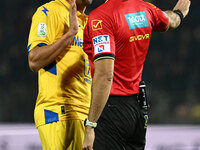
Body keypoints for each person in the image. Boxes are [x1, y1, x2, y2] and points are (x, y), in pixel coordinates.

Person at [82, 0, 191, 149]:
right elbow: (172, 20)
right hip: (137, 110)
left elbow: (105, 76)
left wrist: (90, 125)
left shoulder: (100, 18)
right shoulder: (145, 9)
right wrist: (179, 13)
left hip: (110, 109)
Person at [27, 0, 92, 149]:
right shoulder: (49, 11)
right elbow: (34, 60)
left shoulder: (90, 22)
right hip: (58, 111)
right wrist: (70, 34)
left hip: (86, 116)